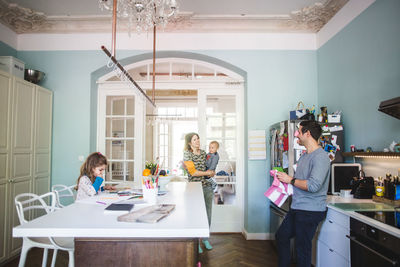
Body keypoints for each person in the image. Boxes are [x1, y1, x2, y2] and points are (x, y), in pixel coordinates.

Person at [275, 120, 330, 267]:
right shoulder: (305, 156)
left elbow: (313, 186)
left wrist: (290, 180)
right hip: (298, 208)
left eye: (299, 132)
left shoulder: (321, 157)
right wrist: (285, 183)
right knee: (281, 236)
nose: (296, 135)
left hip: (310, 211)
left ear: (308, 133)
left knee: (302, 250)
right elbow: (299, 182)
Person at [183, 133, 215, 254]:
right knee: (195, 216)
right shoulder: (187, 154)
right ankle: (196, 242)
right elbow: (193, 172)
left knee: (208, 214)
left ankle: (205, 239)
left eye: (198, 139)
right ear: (189, 143)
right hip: (194, 188)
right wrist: (207, 173)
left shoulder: (203, 153)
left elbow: (209, 167)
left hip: (207, 187)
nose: (197, 141)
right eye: (194, 140)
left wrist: (212, 171)